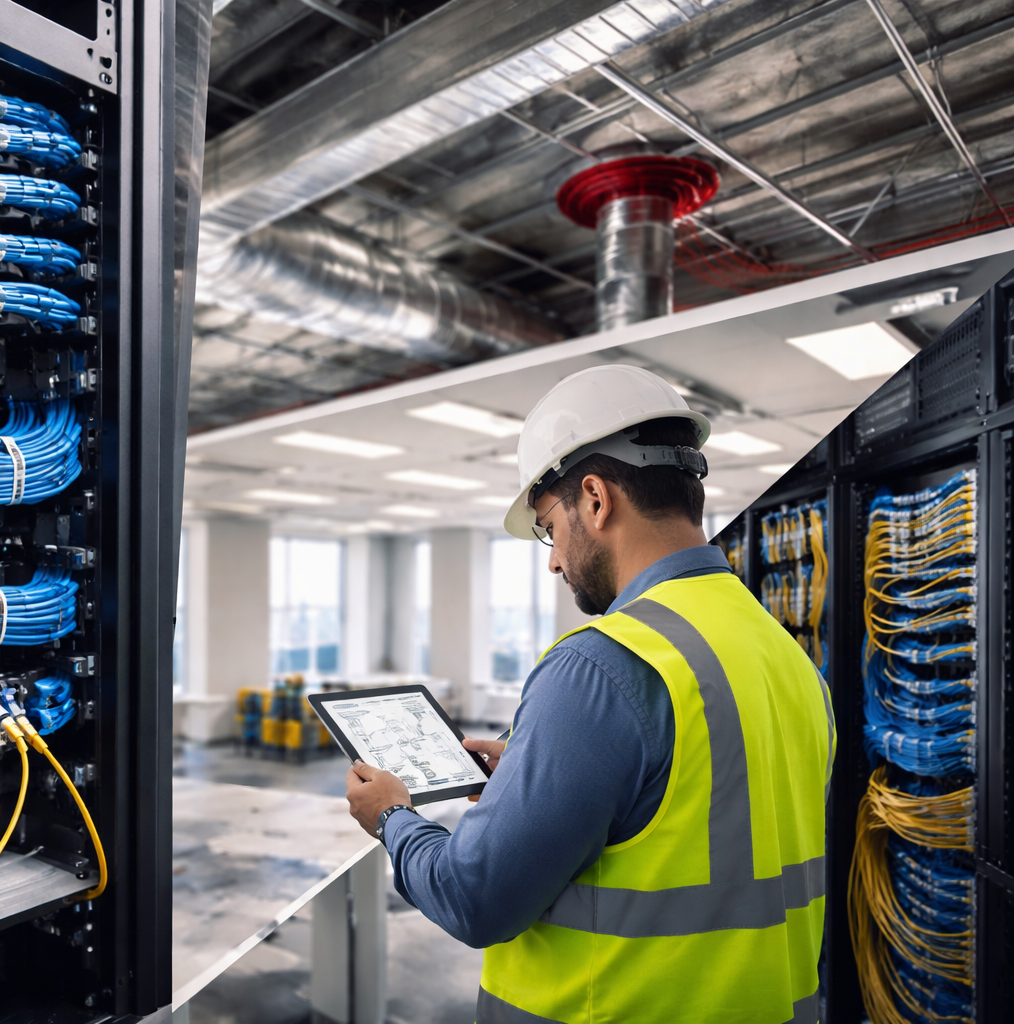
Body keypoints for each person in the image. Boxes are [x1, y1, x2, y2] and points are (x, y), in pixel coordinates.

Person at [344, 365, 834, 1023]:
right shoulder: (786, 656)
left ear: (596, 499)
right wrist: (531, 784)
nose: (552, 561)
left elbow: (474, 898)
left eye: (549, 527)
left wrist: (392, 817)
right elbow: (701, 816)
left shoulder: (601, 666)